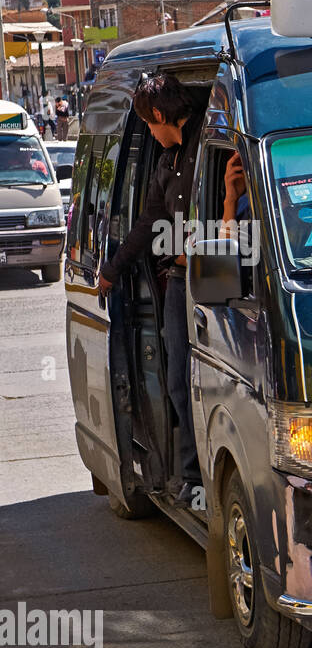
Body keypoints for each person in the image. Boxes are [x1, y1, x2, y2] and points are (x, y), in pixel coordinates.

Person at [96, 73, 203, 508]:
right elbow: (148, 224)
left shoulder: (206, 146)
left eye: (149, 124)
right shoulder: (168, 161)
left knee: (204, 385)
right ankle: (191, 476)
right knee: (178, 381)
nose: (152, 133)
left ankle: (203, 476)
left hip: (218, 282)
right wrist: (112, 269)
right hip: (179, 282)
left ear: (159, 115)